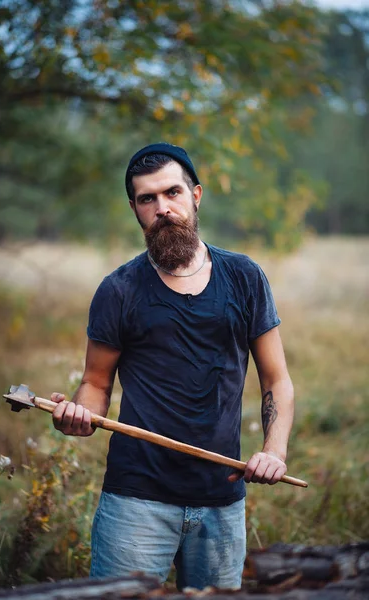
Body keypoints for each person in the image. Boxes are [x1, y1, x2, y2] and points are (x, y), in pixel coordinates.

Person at [52, 143, 294, 590]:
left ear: (196, 195)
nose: (162, 208)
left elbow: (276, 379)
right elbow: (95, 382)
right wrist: (80, 415)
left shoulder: (244, 277)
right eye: (147, 199)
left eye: (172, 193)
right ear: (135, 209)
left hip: (222, 499)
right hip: (135, 501)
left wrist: (273, 451)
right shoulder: (118, 289)